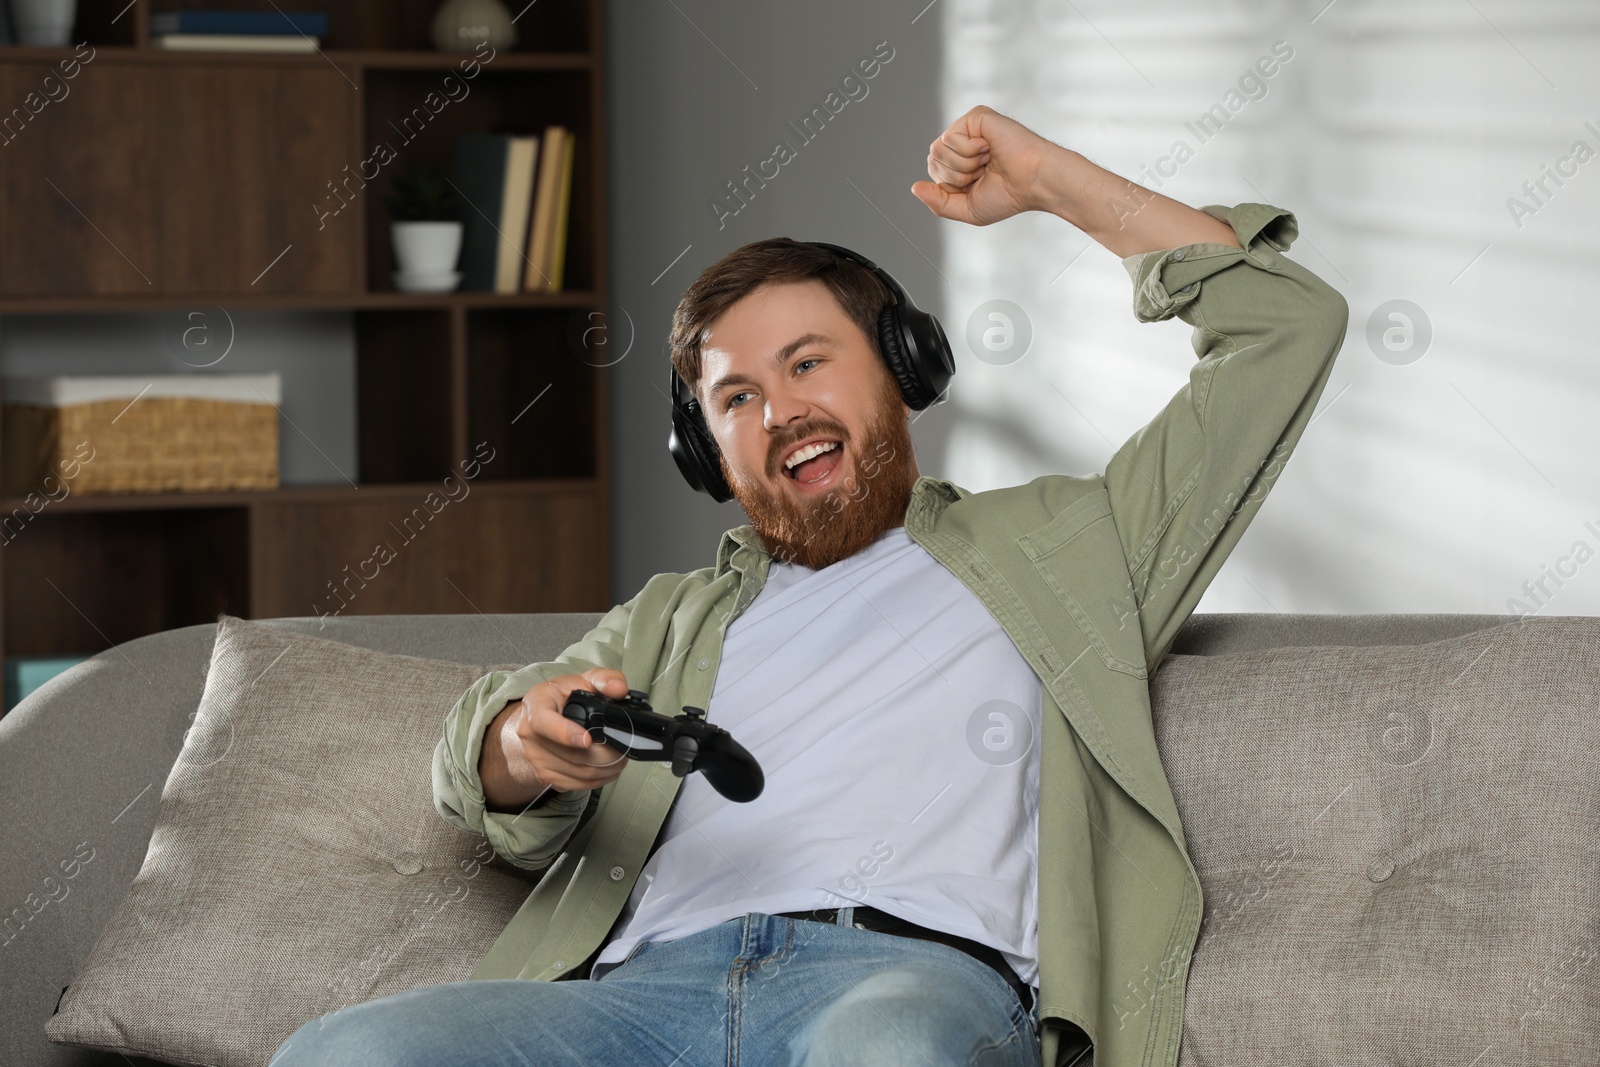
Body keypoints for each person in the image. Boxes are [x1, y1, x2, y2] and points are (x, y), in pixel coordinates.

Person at [272, 104, 1348, 1067]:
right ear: (707, 452)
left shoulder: (1076, 544)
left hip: (903, 985)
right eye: (735, 395)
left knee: (885, 1047)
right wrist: (522, 744)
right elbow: (487, 753)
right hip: (640, 998)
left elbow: (1282, 330)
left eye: (807, 362)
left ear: (905, 368)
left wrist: (1052, 181)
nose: (778, 410)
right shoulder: (672, 614)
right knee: (345, 1050)